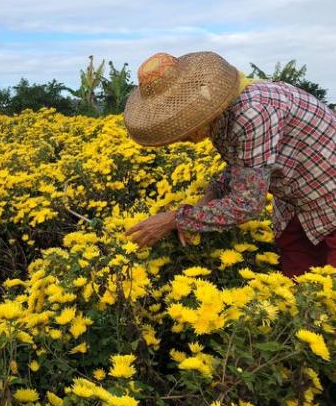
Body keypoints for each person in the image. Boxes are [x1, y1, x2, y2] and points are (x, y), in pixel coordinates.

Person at [123, 51, 335, 277]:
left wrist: (175, 219)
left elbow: (247, 203)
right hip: (297, 202)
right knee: (301, 287)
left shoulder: (252, 112)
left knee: (328, 295)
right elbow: (241, 168)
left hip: (328, 198)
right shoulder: (220, 111)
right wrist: (207, 200)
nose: (180, 136)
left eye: (181, 123)